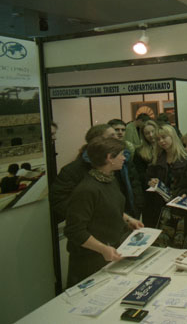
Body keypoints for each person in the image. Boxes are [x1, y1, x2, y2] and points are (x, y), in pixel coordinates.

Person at [64, 137, 144, 288]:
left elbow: (108, 207)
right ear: (109, 158)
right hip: (90, 261)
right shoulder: (86, 190)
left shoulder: (110, 179)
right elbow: (74, 231)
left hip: (109, 254)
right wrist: (103, 249)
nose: (124, 158)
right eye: (121, 154)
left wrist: (128, 219)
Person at [50, 124, 144, 223]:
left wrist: (135, 210)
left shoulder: (121, 162)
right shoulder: (74, 170)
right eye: (112, 136)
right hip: (93, 225)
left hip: (123, 218)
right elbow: (59, 201)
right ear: (97, 141)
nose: (117, 138)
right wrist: (89, 214)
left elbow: (133, 185)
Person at [144, 124, 187, 228]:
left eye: (164, 137)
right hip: (160, 205)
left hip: (180, 203)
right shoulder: (157, 158)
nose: (161, 141)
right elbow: (148, 178)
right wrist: (151, 181)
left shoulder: (186, 158)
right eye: (158, 139)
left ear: (172, 137)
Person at [133, 120, 159, 202]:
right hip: (149, 189)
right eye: (147, 133)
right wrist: (149, 180)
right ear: (143, 136)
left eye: (153, 131)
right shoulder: (139, 151)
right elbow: (139, 173)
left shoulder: (165, 147)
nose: (151, 135)